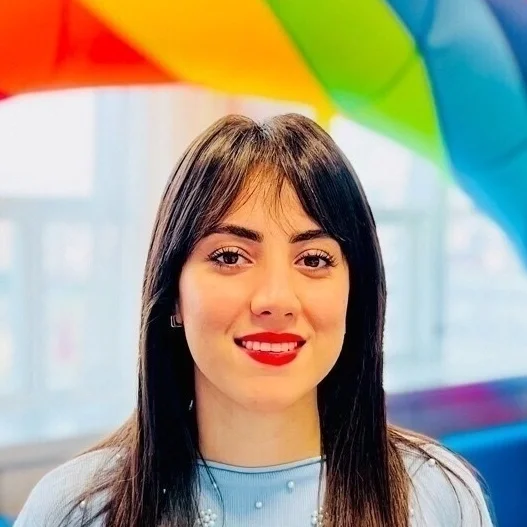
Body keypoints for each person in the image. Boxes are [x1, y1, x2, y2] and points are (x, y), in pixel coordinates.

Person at [14, 114, 494, 527]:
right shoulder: (76, 509)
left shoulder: (436, 497)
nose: (276, 300)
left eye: (313, 259)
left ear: (356, 294)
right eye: (230, 256)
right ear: (173, 294)